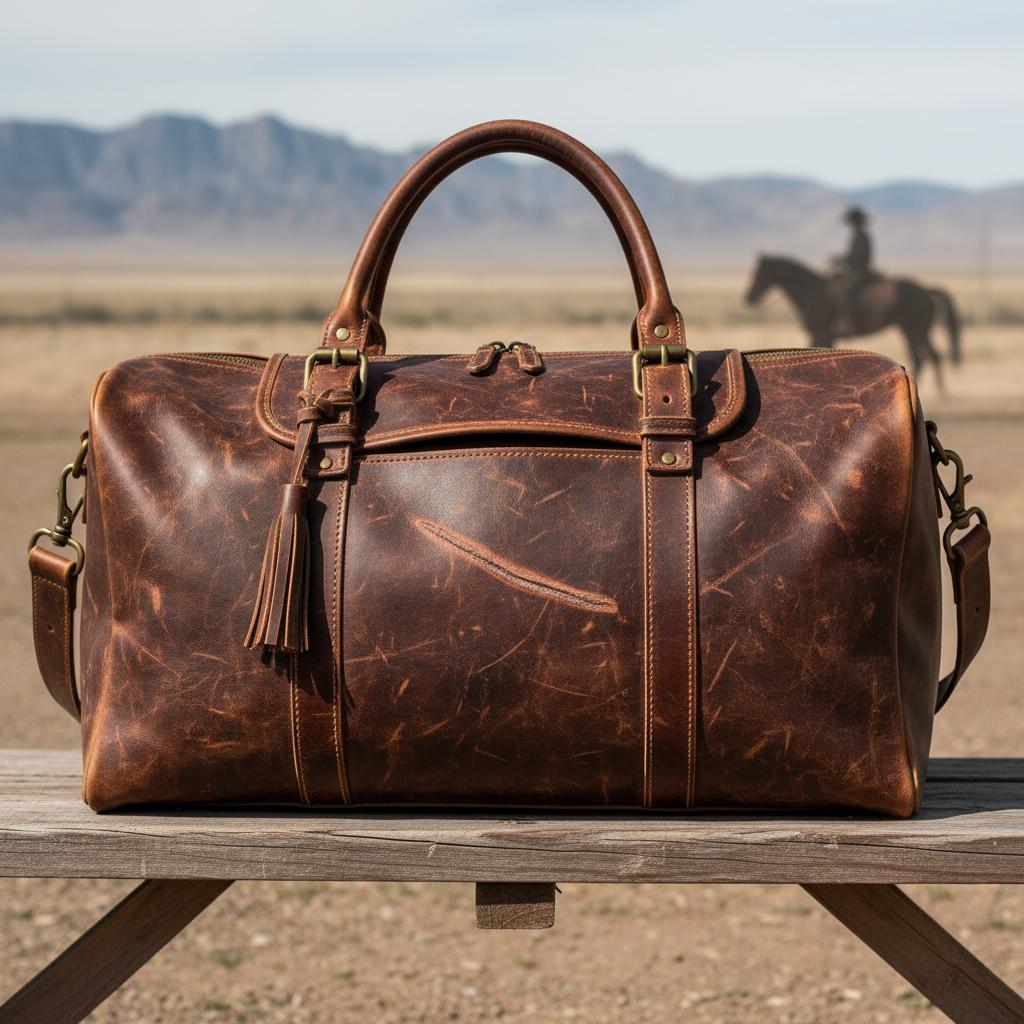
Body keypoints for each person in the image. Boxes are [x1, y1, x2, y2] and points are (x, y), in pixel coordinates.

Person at [832, 206, 873, 334]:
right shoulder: (859, 235)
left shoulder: (861, 236)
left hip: (860, 271)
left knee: (847, 291)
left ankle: (849, 321)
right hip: (856, 270)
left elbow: (859, 256)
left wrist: (843, 260)